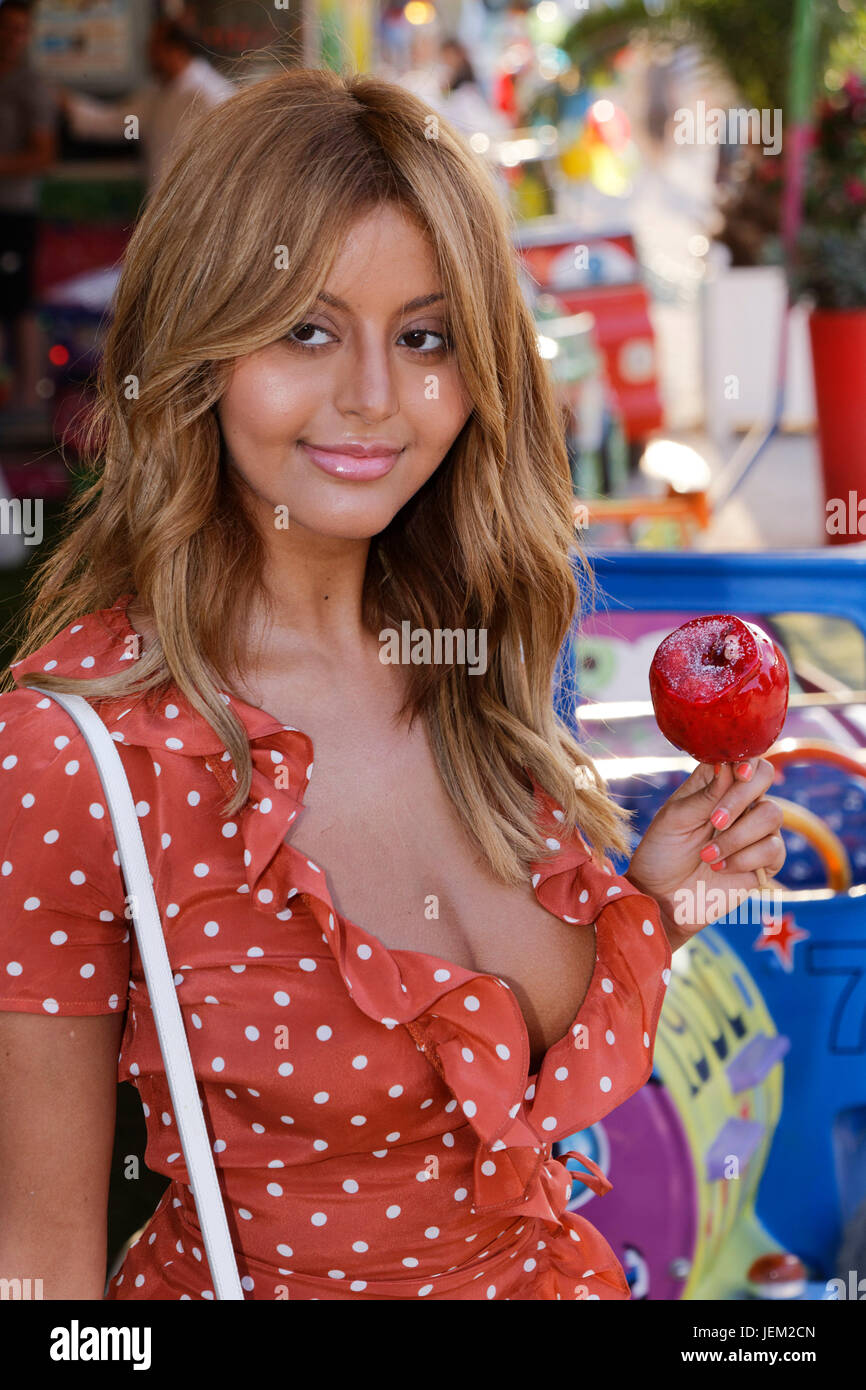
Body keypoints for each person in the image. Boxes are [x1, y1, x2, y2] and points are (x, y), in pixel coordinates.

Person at [0, 67, 785, 1301]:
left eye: (424, 337)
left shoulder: (479, 655)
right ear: (197, 349)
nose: (374, 396)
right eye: (304, 328)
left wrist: (659, 900)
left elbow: (529, 1087)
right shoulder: (78, 754)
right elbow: (39, 1277)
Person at [61, 17, 234, 195]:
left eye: (154, 46)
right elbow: (117, 123)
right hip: (161, 207)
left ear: (176, 49)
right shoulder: (156, 96)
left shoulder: (211, 94)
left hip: (197, 209)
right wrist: (64, 102)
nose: (148, 53)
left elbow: (232, 158)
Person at [0, 0, 58, 433]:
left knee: (18, 305)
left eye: (21, 30)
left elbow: (43, 155)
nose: (13, 37)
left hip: (14, 212)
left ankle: (26, 404)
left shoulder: (32, 84)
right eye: (7, 28)